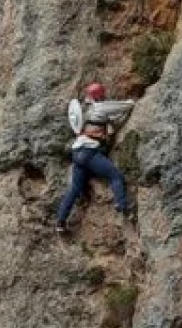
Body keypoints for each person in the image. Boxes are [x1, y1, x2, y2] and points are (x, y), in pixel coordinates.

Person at [56, 83, 135, 233]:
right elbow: (125, 107)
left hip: (77, 152)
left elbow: (108, 119)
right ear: (99, 95)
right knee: (115, 176)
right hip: (89, 152)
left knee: (74, 188)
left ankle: (60, 221)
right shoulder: (100, 107)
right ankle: (122, 205)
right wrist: (131, 102)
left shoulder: (82, 109)